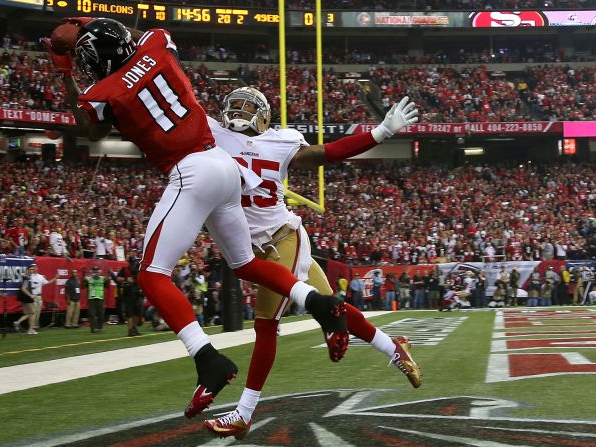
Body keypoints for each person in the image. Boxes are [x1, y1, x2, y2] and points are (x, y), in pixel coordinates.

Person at [60, 17, 347, 418]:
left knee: (150, 274)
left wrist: (62, 70)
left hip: (190, 171)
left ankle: (207, 359)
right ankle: (317, 302)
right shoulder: (157, 43)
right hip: (223, 164)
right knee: (245, 264)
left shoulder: (104, 91)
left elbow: (88, 129)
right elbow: (140, 41)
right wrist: (89, 23)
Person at [203, 87, 421, 438]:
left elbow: (328, 152)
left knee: (264, 325)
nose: (240, 111)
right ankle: (393, 347)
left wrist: (381, 132)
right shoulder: (211, 131)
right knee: (335, 308)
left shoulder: (281, 142)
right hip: (255, 250)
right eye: (236, 104)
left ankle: (244, 413)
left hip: (279, 241)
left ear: (264, 116)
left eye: (248, 106)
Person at [26, 264, 58, 333]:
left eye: (35, 267)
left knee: (38, 312)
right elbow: (27, 286)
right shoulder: (29, 277)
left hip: (39, 296)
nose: (34, 269)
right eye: (33, 268)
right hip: (33, 296)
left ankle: (34, 326)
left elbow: (48, 282)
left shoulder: (41, 276)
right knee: (33, 312)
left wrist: (55, 278)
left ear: (37, 268)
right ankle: (31, 327)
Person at [84, 266, 108, 333]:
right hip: (91, 299)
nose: (96, 273)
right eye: (94, 271)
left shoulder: (103, 279)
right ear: (92, 272)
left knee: (101, 314)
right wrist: (84, 278)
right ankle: (93, 328)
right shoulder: (88, 279)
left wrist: (108, 278)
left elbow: (107, 286)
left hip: (100, 298)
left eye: (97, 271)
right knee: (92, 314)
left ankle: (100, 327)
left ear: (99, 272)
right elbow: (83, 286)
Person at [14, 267, 37, 334]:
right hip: (26, 298)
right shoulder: (26, 278)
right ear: (27, 270)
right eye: (30, 269)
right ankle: (29, 329)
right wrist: (31, 295)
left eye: (33, 269)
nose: (32, 270)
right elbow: (23, 289)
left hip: (25, 298)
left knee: (29, 313)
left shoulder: (27, 277)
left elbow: (25, 287)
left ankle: (18, 323)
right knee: (32, 313)